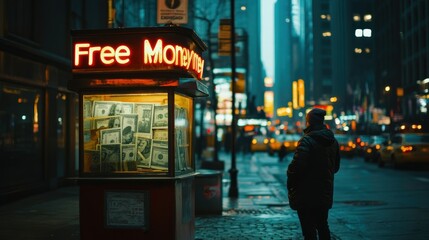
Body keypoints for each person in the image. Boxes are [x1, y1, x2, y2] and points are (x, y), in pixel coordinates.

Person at [287, 108, 340, 240]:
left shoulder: (306, 141)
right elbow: (336, 167)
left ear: (309, 123)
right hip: (324, 193)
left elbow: (296, 168)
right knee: (322, 225)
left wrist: (290, 178)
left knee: (309, 230)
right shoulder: (333, 142)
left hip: (306, 194)